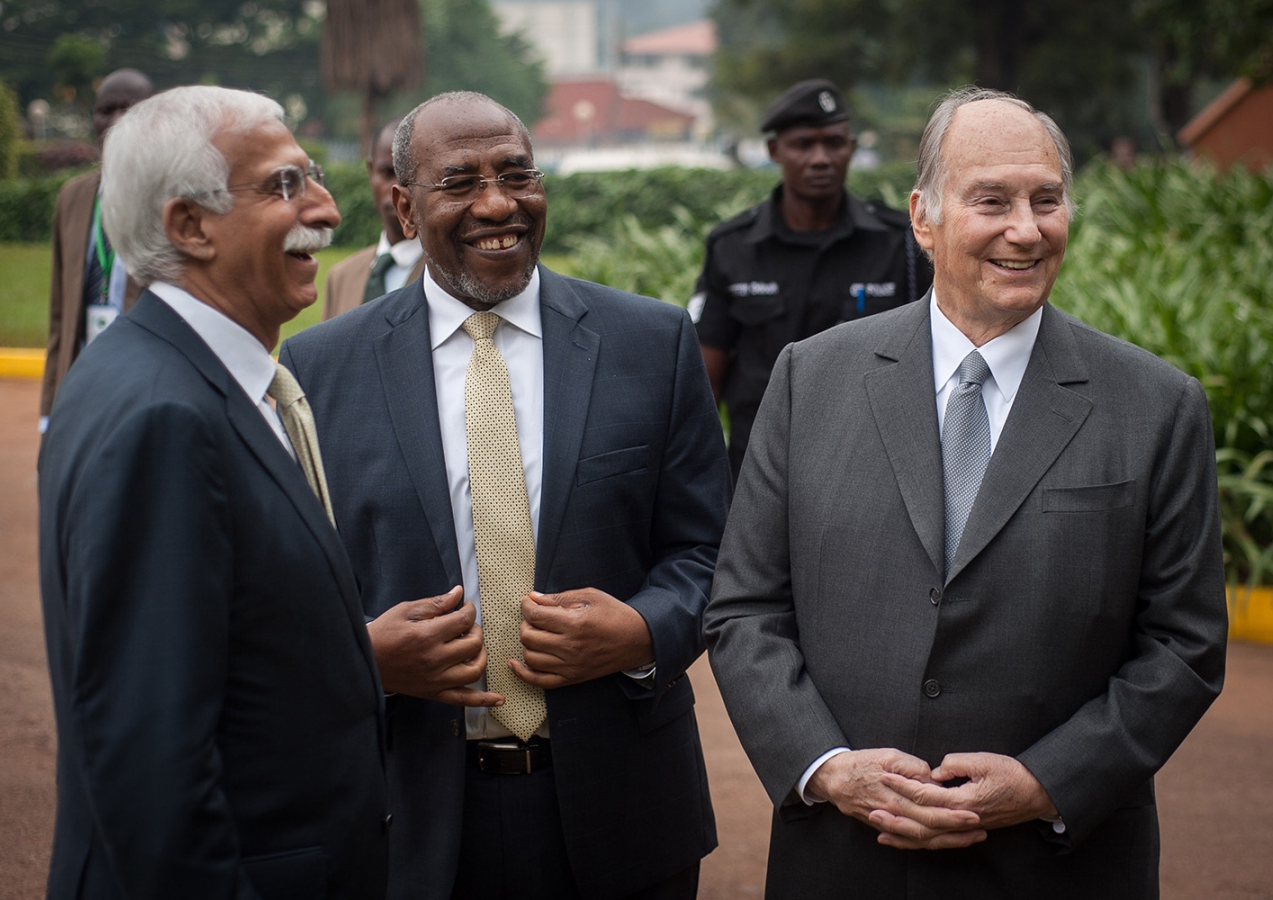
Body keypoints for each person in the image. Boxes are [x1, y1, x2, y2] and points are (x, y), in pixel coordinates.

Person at [703, 87, 1228, 898]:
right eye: (992, 200)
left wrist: (1048, 781)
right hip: (846, 859)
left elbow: (1185, 645)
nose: (1027, 228)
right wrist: (829, 768)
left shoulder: (1156, 405)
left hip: (1060, 862)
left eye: (1046, 199)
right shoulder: (811, 380)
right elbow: (745, 609)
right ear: (924, 218)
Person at [281, 91, 730, 900]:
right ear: (404, 208)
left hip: (624, 807)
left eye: (517, 174)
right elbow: (284, 592)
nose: (498, 204)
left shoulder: (650, 343)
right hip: (406, 813)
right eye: (460, 182)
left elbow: (716, 552)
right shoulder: (318, 370)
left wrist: (639, 631)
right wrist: (367, 657)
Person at [37, 85, 388, 900]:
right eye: (284, 185)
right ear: (189, 226)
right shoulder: (167, 417)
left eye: (314, 177)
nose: (329, 210)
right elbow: (153, 766)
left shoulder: (159, 372)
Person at [692, 78, 932, 476]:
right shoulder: (732, 247)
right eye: (803, 144)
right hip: (760, 470)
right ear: (774, 150)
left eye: (834, 143)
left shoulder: (902, 244)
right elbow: (704, 387)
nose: (820, 159)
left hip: (871, 468)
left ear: (851, 148)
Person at [40, 68, 154, 432]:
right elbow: (60, 314)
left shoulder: (172, 198)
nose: (117, 119)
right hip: (82, 376)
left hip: (145, 379)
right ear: (93, 119)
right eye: (106, 109)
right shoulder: (72, 198)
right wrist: (48, 414)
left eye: (131, 108)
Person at [322, 117, 423, 320]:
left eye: (409, 177)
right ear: (370, 172)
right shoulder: (341, 278)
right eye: (387, 173)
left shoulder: (450, 275)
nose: (397, 189)